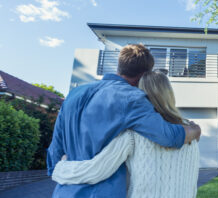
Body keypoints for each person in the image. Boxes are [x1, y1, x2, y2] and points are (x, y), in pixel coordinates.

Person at [47, 44, 201, 198]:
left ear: (119, 65)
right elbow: (168, 136)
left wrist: (62, 172)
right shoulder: (132, 98)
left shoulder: (74, 94)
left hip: (63, 191)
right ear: (143, 76)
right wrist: (194, 130)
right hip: (102, 193)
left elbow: (54, 151)